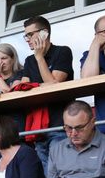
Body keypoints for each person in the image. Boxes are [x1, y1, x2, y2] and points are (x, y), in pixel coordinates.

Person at [20, 16, 74, 169]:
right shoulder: (29, 60)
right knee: (46, 174)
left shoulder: (62, 51)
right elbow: (23, 88)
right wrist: (40, 85)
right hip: (38, 128)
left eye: (30, 34)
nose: (27, 39)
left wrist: (39, 58)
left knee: (59, 171)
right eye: (26, 36)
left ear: (44, 33)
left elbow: (53, 84)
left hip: (60, 125)